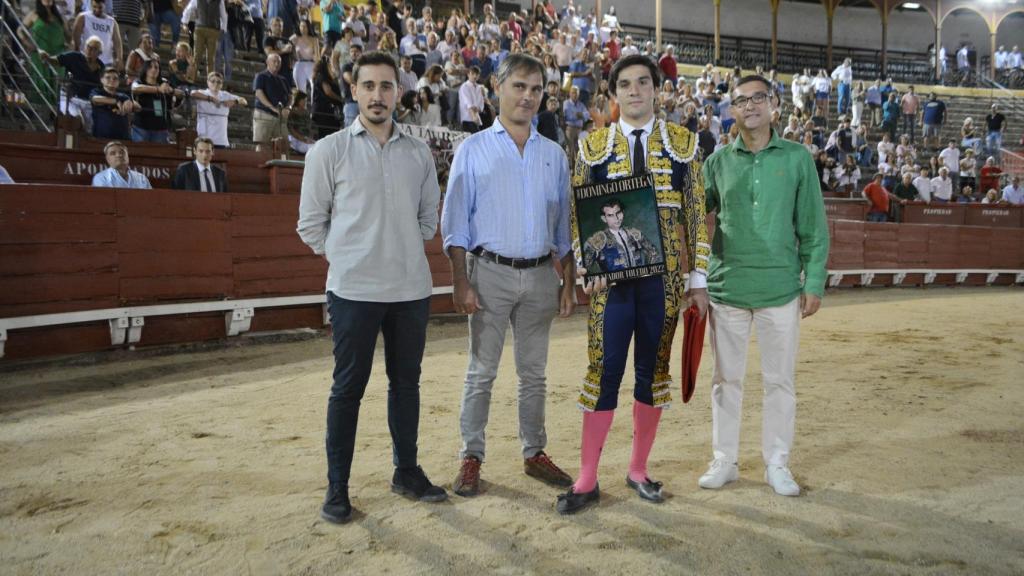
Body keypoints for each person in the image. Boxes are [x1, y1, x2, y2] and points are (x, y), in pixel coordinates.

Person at [556, 54, 710, 514]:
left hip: (664, 282)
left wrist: (698, 279)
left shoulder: (685, 144)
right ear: (613, 93)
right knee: (603, 370)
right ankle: (587, 478)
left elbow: (696, 214)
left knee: (653, 371)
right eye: (625, 84)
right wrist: (588, 268)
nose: (635, 90)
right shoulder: (592, 147)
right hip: (612, 283)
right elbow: (578, 215)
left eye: (644, 82)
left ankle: (638, 469)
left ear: (657, 90)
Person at [298, 50, 446, 525]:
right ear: (354, 90)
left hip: (410, 290)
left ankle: (406, 471)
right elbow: (310, 225)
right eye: (368, 86)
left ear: (398, 92)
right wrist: (350, 258)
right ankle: (337, 487)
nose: (377, 95)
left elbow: (428, 220)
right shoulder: (328, 151)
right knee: (348, 388)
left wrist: (395, 250)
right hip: (353, 292)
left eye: (386, 86)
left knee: (406, 384)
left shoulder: (419, 153)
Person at [441, 54, 576, 499]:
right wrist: (460, 281)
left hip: (540, 276)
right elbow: (455, 223)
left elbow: (563, 228)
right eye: (519, 86)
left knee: (534, 374)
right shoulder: (473, 148)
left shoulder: (554, 155)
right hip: (488, 273)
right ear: (497, 88)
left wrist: (569, 281)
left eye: (536, 89)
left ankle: (534, 452)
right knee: (481, 372)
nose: (528, 97)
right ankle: (471, 456)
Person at [699, 75, 829, 497]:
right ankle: (725, 460)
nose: (750, 105)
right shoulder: (717, 162)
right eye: (741, 100)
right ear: (731, 110)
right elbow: (693, 217)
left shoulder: (797, 158)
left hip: (781, 289)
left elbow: (813, 226)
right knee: (725, 380)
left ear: (774, 104)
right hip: (727, 287)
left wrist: (814, 281)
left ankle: (777, 463)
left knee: (780, 381)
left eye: (759, 97)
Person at [582, 199, 661, 273]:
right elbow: (583, 267)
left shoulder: (633, 233)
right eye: (610, 215)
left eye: (618, 213)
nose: (616, 218)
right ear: (604, 218)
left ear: (623, 212)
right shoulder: (598, 239)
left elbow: (653, 253)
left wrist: (647, 273)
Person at [131, 59, 182, 143]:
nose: (153, 69)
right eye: (150, 67)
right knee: (139, 150)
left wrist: (171, 90)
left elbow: (181, 94)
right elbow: (135, 88)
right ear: (145, 69)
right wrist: (158, 89)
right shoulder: (139, 81)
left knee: (160, 150)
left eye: (156, 67)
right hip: (141, 126)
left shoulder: (164, 82)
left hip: (161, 128)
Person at [191, 71, 248, 147]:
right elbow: (192, 93)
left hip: (221, 139)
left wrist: (235, 101)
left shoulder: (225, 95)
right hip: (204, 138)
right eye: (213, 81)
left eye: (219, 82)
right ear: (208, 82)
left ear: (222, 84)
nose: (216, 84)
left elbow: (244, 101)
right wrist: (211, 99)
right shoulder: (203, 93)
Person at [253, 53, 292, 151]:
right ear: (267, 62)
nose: (276, 64)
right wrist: (273, 108)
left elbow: (290, 96)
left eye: (279, 62)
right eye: (274, 61)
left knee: (284, 145)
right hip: (265, 114)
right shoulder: (261, 76)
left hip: (281, 117)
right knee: (262, 144)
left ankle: (282, 162)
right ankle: (259, 161)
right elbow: (259, 93)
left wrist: (288, 108)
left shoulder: (283, 79)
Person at [91, 67, 139, 140]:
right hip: (101, 137)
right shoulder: (97, 92)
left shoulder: (123, 96)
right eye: (108, 78)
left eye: (115, 78)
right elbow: (95, 99)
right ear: (101, 80)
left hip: (123, 137)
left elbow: (137, 107)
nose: (112, 80)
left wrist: (131, 103)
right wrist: (116, 101)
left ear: (118, 82)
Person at [72, 0, 122, 71]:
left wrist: (119, 58)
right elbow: (75, 38)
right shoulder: (83, 17)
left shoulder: (112, 21)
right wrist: (75, 55)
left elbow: (117, 42)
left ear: (104, 5)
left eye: (100, 7)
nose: (97, 10)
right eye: (94, 7)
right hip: (86, 60)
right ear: (91, 5)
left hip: (106, 61)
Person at [458, 66, 484, 133]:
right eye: (472, 74)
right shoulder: (464, 87)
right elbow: (468, 103)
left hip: (477, 117)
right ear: (468, 74)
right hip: (467, 118)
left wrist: (479, 108)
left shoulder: (479, 87)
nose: (475, 76)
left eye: (477, 74)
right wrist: (473, 116)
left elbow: (481, 102)